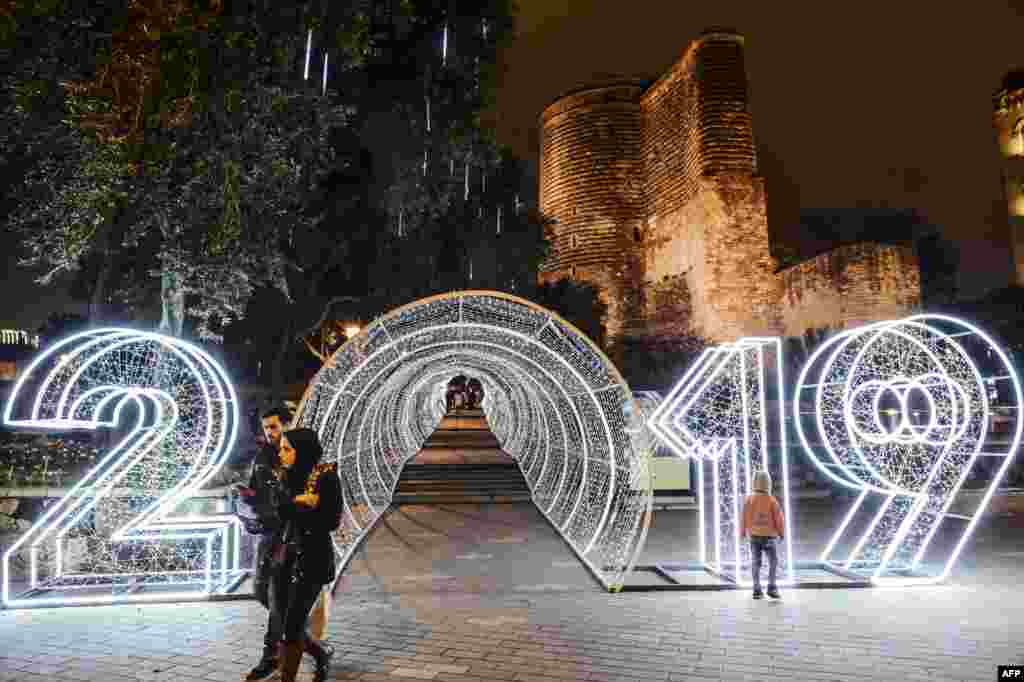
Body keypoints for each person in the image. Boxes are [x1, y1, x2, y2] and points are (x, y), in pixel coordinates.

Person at [273, 427, 342, 682]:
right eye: (282, 448)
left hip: (313, 559)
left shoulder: (326, 478)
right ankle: (321, 654)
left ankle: (287, 677)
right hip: (286, 557)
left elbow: (331, 520)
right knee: (290, 624)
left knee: (292, 624)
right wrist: (301, 502)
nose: (281, 453)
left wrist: (297, 509)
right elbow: (280, 510)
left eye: (287, 449)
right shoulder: (286, 476)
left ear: (303, 451)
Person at [239, 406, 291, 681]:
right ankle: (295, 631)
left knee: (276, 594)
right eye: (265, 427)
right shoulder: (262, 456)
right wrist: (247, 498)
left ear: (286, 424)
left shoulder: (294, 456)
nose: (268, 432)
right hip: (266, 532)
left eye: (273, 426)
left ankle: (271, 655)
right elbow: (254, 490)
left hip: (288, 534)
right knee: (260, 589)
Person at [740, 470, 784, 600]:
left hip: (754, 536)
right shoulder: (772, 500)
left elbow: (744, 517)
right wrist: (781, 533)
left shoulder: (749, 499)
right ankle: (772, 586)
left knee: (755, 562)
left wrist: (742, 532)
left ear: (754, 482)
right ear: (768, 483)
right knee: (773, 561)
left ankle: (756, 589)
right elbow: (779, 518)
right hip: (769, 536)